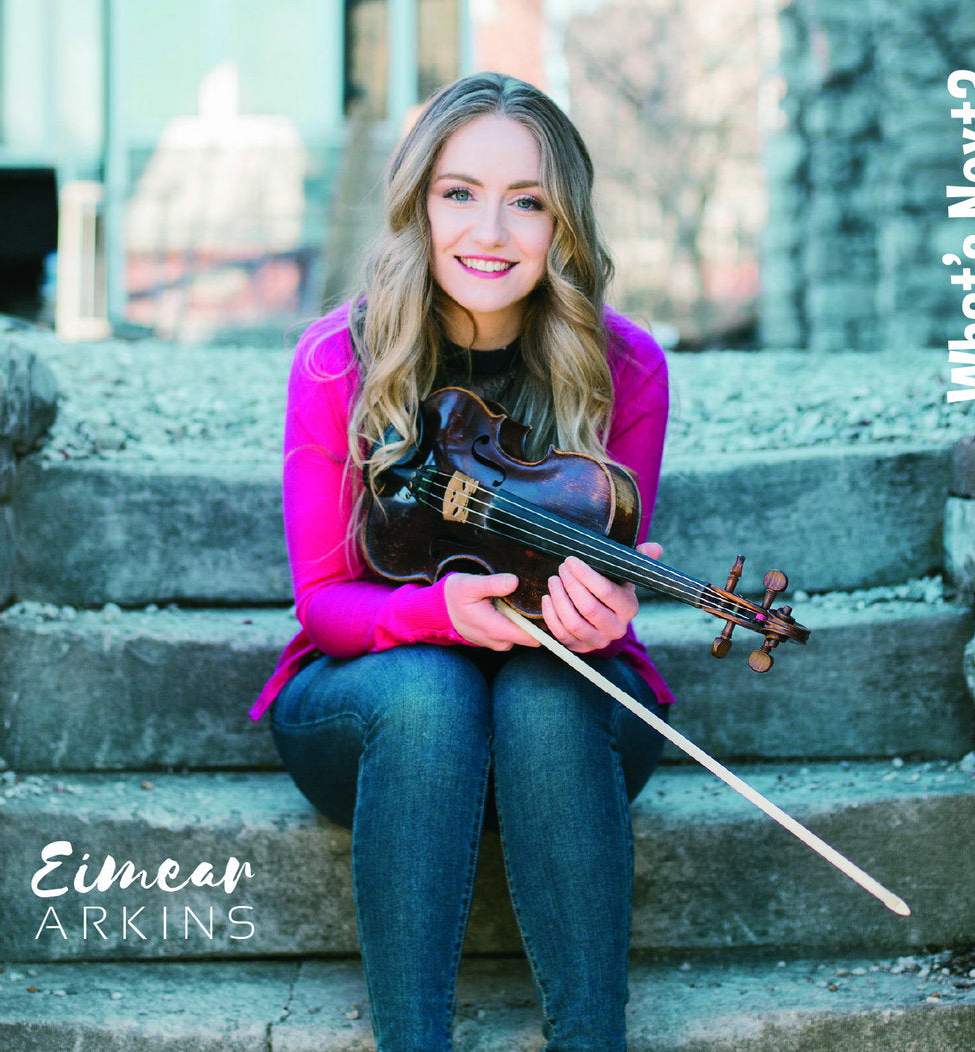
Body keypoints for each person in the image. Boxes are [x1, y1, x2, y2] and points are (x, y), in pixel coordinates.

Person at [249, 71, 673, 1052]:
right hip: (378, 720)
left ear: (563, 219)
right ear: (419, 204)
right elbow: (323, 604)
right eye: (460, 193)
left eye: (526, 200)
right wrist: (436, 612)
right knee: (435, 691)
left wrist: (605, 611)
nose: (491, 230)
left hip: (561, 735)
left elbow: (608, 581)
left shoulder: (628, 367)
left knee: (546, 688)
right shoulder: (336, 359)